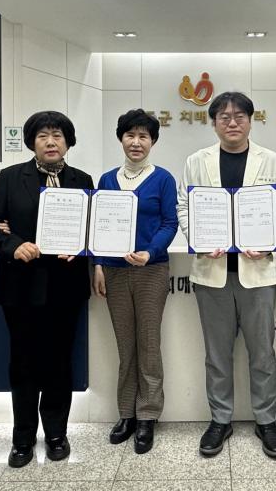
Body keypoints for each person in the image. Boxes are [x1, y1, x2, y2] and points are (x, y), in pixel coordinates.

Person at [177, 91, 276, 458]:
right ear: (214, 123)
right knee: (217, 355)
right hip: (211, 273)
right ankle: (220, 420)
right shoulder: (196, 161)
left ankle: (266, 421)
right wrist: (199, 239)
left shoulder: (271, 160)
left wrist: (269, 241)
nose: (232, 122)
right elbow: (184, 207)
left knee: (263, 354)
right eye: (224, 116)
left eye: (239, 116)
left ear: (250, 121)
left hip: (257, 273)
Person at [0, 111, 93, 468]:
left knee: (60, 362)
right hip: (22, 285)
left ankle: (57, 434)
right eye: (43, 136)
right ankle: (23, 438)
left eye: (57, 135)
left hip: (66, 285)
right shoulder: (11, 177)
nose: (50, 142)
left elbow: (92, 227)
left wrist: (82, 245)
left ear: (68, 142)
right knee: (24, 362)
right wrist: (13, 244)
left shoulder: (82, 180)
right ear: (32, 142)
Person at [92, 109, 178, 454]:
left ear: (153, 141)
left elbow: (170, 223)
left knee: (148, 344)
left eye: (144, 136)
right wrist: (98, 264)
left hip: (150, 270)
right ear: (121, 139)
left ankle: (148, 415)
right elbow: (98, 225)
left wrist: (150, 251)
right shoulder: (106, 180)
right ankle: (126, 413)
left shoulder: (163, 179)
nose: (136, 142)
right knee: (125, 345)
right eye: (130, 135)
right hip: (113, 271)